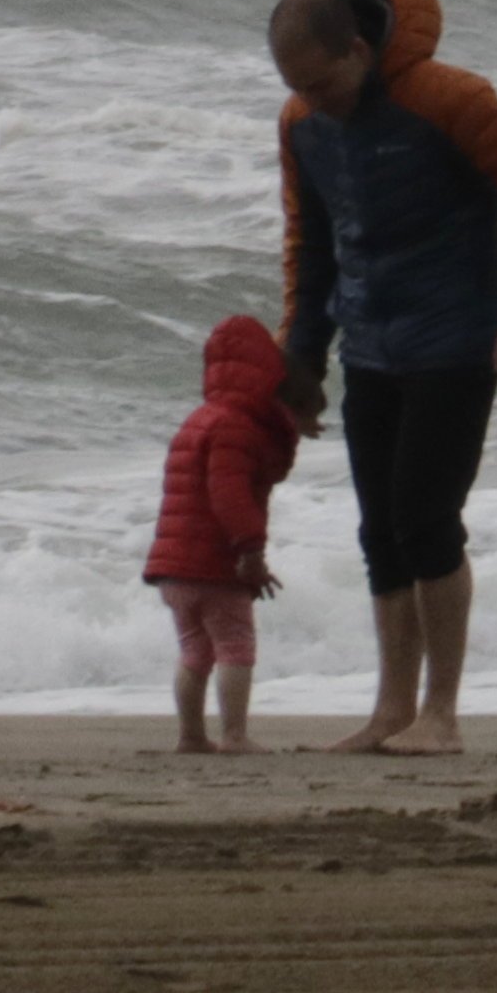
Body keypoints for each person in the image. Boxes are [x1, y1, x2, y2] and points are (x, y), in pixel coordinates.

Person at [268, 0, 497, 756]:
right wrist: (300, 364)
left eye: (323, 82)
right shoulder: (301, 124)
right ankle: (392, 711)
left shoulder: (451, 101)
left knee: (426, 520)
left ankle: (442, 714)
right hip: (371, 344)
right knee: (380, 532)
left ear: (361, 49)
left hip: (454, 339)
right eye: (296, 86)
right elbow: (312, 246)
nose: (313, 100)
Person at [141, 313, 302, 755]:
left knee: (194, 651)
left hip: (173, 567)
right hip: (214, 563)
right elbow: (229, 495)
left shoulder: (200, 419)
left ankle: (191, 735)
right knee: (236, 646)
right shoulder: (237, 426)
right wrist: (250, 551)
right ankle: (234, 735)